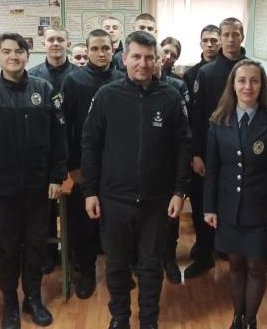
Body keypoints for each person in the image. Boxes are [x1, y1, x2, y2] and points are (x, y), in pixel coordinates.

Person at [81, 31, 191, 329]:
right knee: (116, 266)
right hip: (114, 200)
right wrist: (90, 191)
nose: (143, 63)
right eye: (137, 57)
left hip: (157, 201)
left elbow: (184, 145)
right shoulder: (106, 96)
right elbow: (90, 144)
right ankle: (119, 318)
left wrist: (180, 190)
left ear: (157, 60)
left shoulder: (170, 97)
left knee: (151, 267)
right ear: (124, 58)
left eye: (149, 57)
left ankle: (148, 320)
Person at [0, 32, 67, 328]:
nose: (13, 56)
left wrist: (56, 176)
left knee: (35, 246)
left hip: (38, 186)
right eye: (7, 51)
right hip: (2, 190)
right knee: (8, 248)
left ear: (27, 55)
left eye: (19, 51)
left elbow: (59, 138)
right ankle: (9, 302)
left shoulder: (45, 89)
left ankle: (33, 298)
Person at [203, 59, 267, 329]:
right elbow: (212, 170)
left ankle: (250, 320)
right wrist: (209, 207)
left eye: (254, 81)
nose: (248, 86)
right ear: (233, 85)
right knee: (235, 265)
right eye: (242, 80)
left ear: (262, 85)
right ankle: (237, 317)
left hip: (260, 209)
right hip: (228, 207)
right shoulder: (218, 121)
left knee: (255, 266)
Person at [61, 29, 124, 299]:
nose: (101, 53)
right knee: (84, 223)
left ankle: (117, 272)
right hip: (84, 162)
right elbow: (65, 126)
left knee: (115, 223)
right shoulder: (74, 81)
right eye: (95, 48)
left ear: (113, 50)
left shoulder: (122, 79)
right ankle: (85, 271)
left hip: (116, 163)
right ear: (87, 51)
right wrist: (72, 166)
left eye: (106, 48)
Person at [187, 17, 247, 279]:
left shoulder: (250, 69)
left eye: (236, 34)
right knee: (204, 202)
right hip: (210, 150)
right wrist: (196, 153)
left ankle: (228, 249)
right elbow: (197, 116)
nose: (231, 39)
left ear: (242, 36)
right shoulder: (207, 73)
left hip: (242, 149)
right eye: (226, 35)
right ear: (221, 38)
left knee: (234, 201)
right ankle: (204, 254)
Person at [28, 25, 76, 272]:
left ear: (68, 43)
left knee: (73, 206)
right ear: (43, 44)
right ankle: (47, 255)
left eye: (60, 39)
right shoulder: (32, 76)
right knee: (44, 206)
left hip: (74, 146)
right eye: (51, 40)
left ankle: (72, 253)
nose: (55, 43)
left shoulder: (78, 75)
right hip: (44, 149)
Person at [182, 24, 220, 262]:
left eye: (214, 40)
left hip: (226, 147)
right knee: (200, 200)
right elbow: (191, 118)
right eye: (206, 40)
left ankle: (221, 242)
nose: (210, 44)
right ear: (200, 43)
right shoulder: (191, 75)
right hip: (201, 147)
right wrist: (195, 153)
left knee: (223, 199)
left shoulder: (235, 69)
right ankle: (203, 244)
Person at [152, 44, 189, 284]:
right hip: (144, 168)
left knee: (170, 218)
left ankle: (169, 259)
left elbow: (184, 133)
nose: (161, 59)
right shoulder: (128, 88)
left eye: (156, 57)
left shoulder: (176, 87)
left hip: (170, 166)